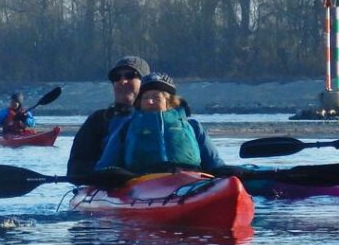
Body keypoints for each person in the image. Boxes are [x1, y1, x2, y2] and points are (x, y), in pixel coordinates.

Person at [93, 72, 229, 176]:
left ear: (169, 102)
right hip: (143, 181)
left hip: (188, 178)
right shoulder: (127, 127)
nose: (149, 101)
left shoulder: (192, 126)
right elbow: (106, 164)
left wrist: (228, 173)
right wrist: (112, 175)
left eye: (156, 97)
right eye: (145, 97)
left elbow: (214, 162)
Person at [67, 55, 149, 180]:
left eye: (130, 75)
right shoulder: (98, 120)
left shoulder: (162, 119)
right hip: (110, 187)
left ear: (145, 83)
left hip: (154, 185)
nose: (122, 81)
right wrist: (108, 174)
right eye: (117, 78)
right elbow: (75, 169)